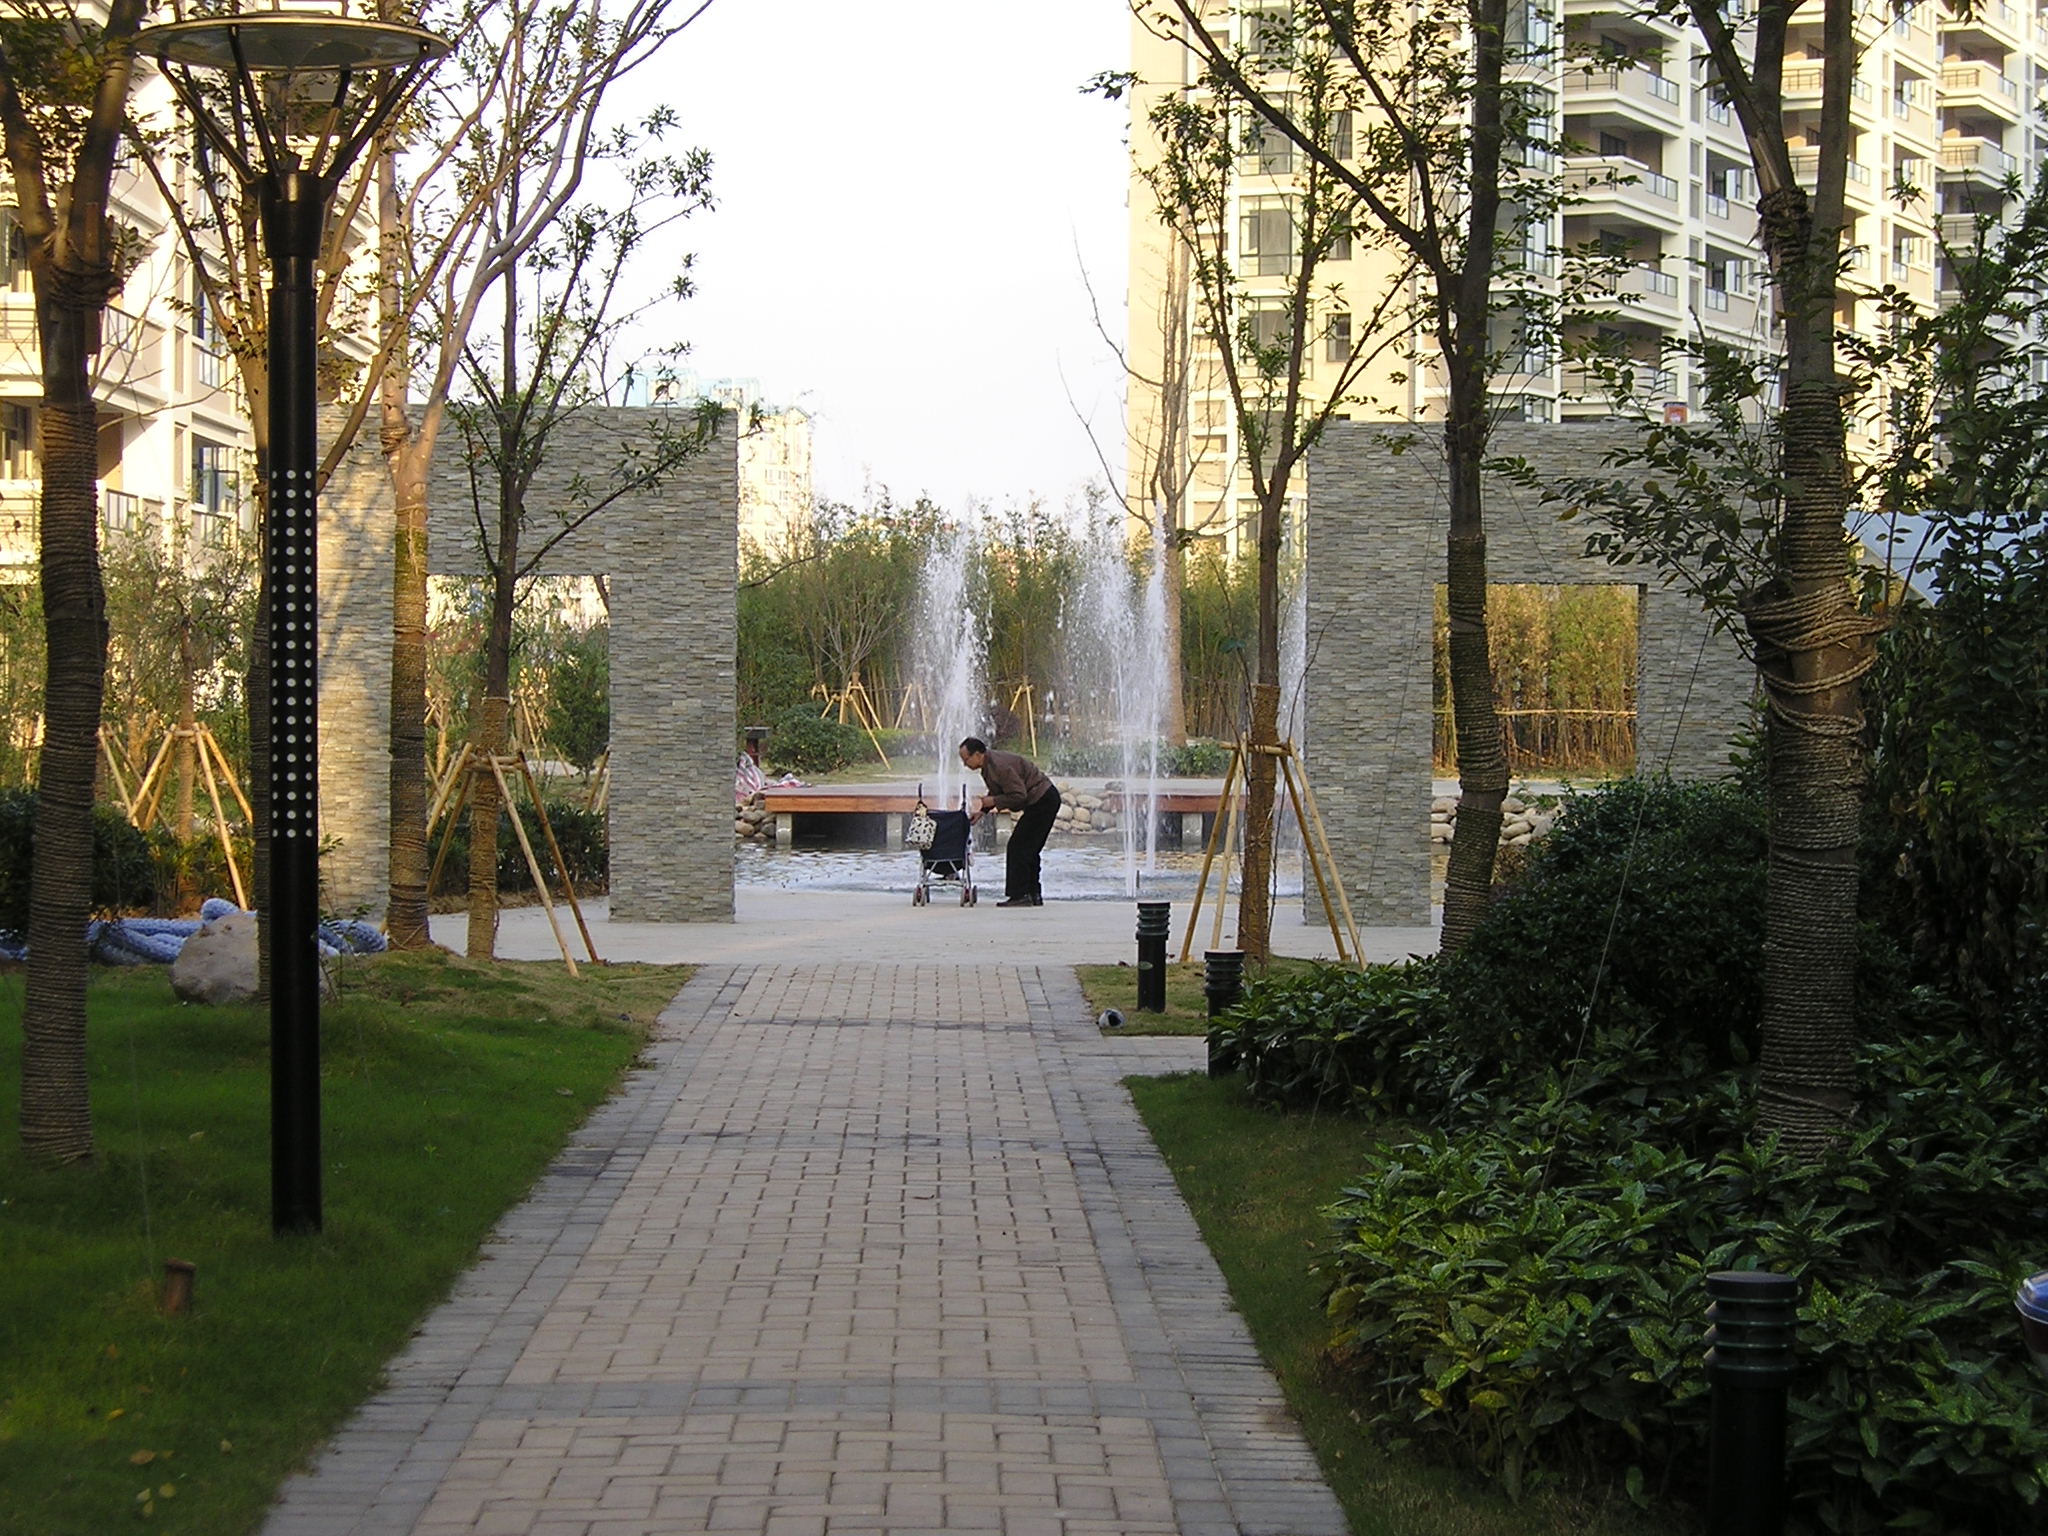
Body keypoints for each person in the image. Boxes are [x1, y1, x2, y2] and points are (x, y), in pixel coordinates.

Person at [959, 736, 1061, 907]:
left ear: (977, 754)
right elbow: (998, 790)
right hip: (1041, 800)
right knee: (1029, 849)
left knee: (1017, 846)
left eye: (966, 759)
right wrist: (983, 812)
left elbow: (1019, 796)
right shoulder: (989, 765)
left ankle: (1020, 895)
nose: (964, 764)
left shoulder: (1000, 766)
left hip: (1043, 800)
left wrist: (993, 801)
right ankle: (1033, 894)